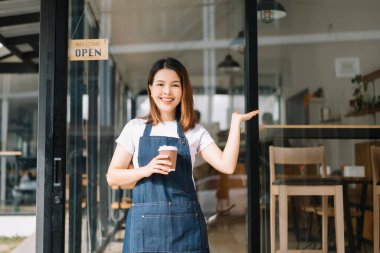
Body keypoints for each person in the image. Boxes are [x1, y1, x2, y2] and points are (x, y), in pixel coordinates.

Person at [106, 57, 259, 253]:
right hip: (145, 228)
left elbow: (227, 166)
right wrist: (146, 170)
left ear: (183, 90)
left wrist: (236, 124)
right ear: (151, 89)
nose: (167, 91)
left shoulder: (194, 131)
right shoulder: (135, 128)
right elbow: (112, 176)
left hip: (186, 225)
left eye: (175, 85)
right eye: (160, 84)